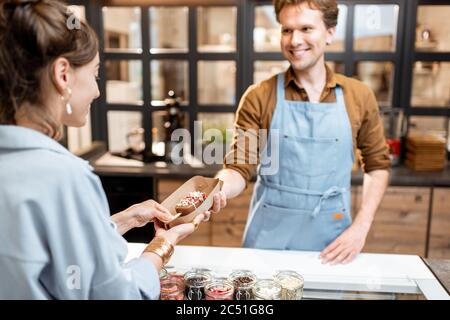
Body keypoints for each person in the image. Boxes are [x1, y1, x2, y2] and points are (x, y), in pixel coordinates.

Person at [0, 0, 209, 299]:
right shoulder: (66, 177)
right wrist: (163, 244)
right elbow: (114, 294)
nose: (97, 91)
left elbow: (52, 250)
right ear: (63, 75)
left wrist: (125, 219)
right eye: (95, 73)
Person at [212, 0, 391, 265]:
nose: (295, 40)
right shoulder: (259, 96)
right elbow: (239, 167)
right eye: (287, 30)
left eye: (306, 28)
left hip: (333, 245)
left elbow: (377, 166)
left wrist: (361, 227)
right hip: (268, 244)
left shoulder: (359, 96)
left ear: (330, 32)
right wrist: (217, 190)